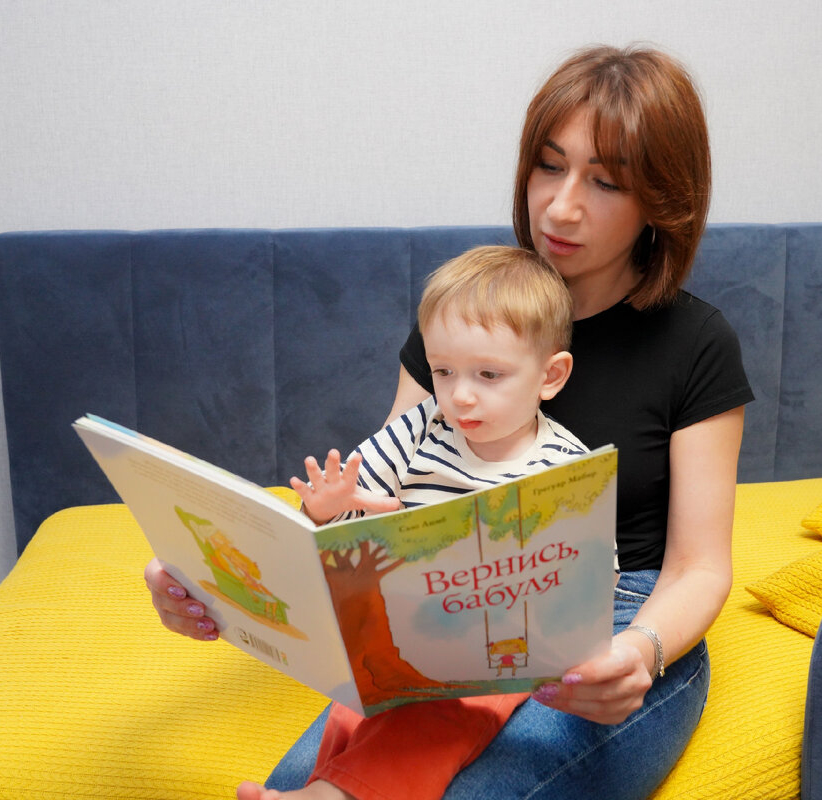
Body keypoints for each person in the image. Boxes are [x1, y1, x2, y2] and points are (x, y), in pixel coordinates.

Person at [146, 43, 753, 799]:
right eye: (548, 166)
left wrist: (640, 651)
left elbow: (700, 567)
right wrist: (210, 575)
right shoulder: (465, 319)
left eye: (605, 181)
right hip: (441, 606)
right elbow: (384, 507)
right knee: (303, 782)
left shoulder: (696, 344)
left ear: (659, 200)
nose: (560, 206)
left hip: (615, 618)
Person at [257, 245, 592, 800]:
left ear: (550, 376)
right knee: (354, 708)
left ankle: (333, 795)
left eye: (489, 374)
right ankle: (327, 784)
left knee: (445, 712)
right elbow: (352, 520)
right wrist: (326, 509)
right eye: (443, 371)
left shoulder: (565, 468)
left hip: (495, 651)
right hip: (398, 632)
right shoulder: (422, 427)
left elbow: (590, 582)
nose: (460, 395)